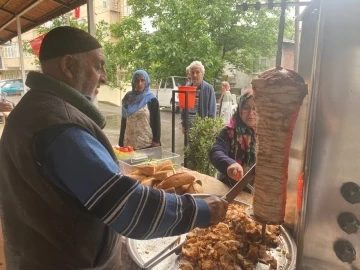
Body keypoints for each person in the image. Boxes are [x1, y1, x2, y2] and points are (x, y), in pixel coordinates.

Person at [0, 26, 228, 269]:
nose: (105, 76)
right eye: (98, 65)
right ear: (68, 66)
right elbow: (126, 206)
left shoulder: (34, 107)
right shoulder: (58, 126)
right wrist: (200, 211)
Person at [209, 89, 257, 187]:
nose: (251, 112)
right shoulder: (228, 132)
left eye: (255, 108)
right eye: (246, 107)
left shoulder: (266, 134)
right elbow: (216, 151)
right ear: (240, 110)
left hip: (256, 191)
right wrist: (230, 164)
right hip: (230, 187)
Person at [119, 70, 161, 150]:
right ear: (133, 82)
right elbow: (124, 121)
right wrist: (121, 142)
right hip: (129, 142)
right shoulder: (128, 97)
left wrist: (156, 140)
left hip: (146, 142)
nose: (139, 83)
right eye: (137, 80)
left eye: (142, 80)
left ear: (147, 81)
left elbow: (156, 121)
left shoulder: (152, 99)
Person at [181, 61, 216, 133]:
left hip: (202, 127)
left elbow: (212, 110)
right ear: (189, 74)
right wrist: (183, 124)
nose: (194, 75)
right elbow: (184, 109)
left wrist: (209, 128)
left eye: (197, 72)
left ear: (202, 74)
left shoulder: (208, 88)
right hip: (189, 126)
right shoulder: (187, 87)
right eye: (192, 72)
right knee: (187, 144)